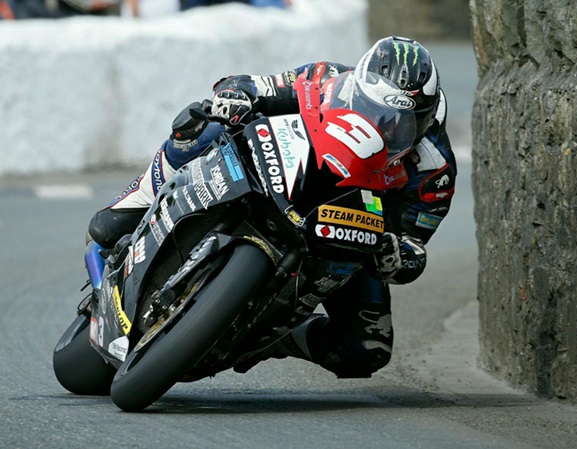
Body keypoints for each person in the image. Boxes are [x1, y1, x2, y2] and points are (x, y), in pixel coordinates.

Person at [87, 36, 457, 378]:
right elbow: (253, 86)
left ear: (425, 120)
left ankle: (275, 337)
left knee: (366, 350)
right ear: (356, 88)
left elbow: (413, 243)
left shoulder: (433, 170)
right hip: (283, 170)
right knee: (208, 126)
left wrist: (397, 253)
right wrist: (235, 96)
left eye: (400, 124)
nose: (383, 127)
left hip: (344, 233)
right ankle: (139, 200)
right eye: (372, 111)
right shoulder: (326, 79)